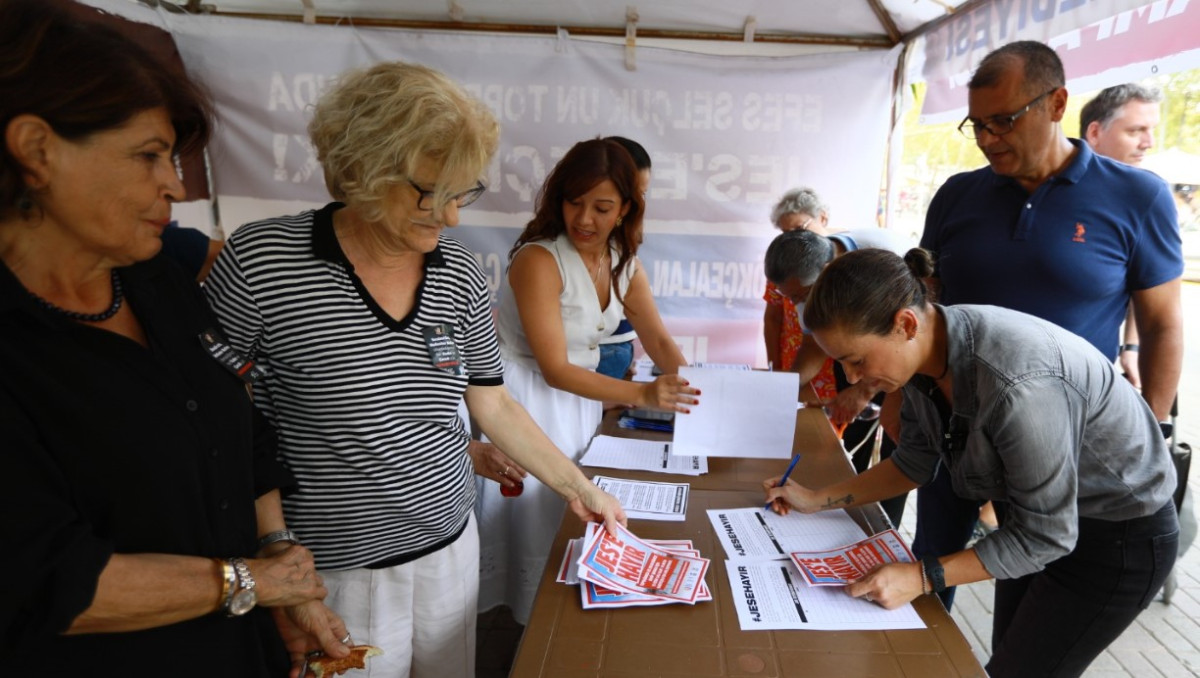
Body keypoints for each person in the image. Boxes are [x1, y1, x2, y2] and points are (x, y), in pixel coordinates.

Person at [203, 63, 626, 678]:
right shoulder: (263, 261)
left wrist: (579, 489)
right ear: (362, 170)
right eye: (430, 193)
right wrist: (273, 550)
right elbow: (222, 414)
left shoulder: (457, 273)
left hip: (451, 546)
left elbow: (493, 403)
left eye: (462, 193)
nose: (451, 217)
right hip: (334, 567)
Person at [0, 1, 349, 675]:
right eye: (149, 156)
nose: (177, 184)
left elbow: (240, 427)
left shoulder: (156, 277)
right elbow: (48, 580)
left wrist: (277, 558)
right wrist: (250, 583)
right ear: (37, 150)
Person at [765, 247, 1179, 678]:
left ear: (905, 324)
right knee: (1008, 657)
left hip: (1115, 540)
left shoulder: (1016, 384)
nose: (852, 378)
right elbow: (913, 463)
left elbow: (1046, 537)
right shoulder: (925, 353)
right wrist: (815, 499)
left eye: (857, 360)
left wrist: (922, 577)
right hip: (1032, 522)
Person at [916, 41, 1183, 609]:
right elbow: (921, 307)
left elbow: (1162, 327)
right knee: (923, 578)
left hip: (1058, 445)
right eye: (978, 124)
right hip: (952, 429)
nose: (988, 139)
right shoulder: (959, 195)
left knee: (1024, 600)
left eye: (1004, 121)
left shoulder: (1138, 195)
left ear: (1057, 103)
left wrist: (1149, 430)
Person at [476, 138, 696, 624]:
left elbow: (658, 340)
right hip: (524, 397)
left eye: (602, 207)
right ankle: (516, 625)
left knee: (568, 508)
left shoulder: (623, 263)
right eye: (574, 203)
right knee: (527, 514)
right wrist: (642, 393)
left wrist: (700, 395)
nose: (584, 219)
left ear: (625, 210)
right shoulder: (538, 260)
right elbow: (555, 368)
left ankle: (548, 618)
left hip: (577, 400)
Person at [763, 228, 914, 527]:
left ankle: (884, 531)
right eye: (789, 298)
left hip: (901, 365)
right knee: (848, 445)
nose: (796, 306)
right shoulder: (813, 275)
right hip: (868, 355)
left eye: (801, 296)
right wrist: (781, 390)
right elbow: (812, 349)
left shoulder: (880, 263)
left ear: (828, 273)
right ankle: (846, 513)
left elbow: (904, 347)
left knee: (900, 450)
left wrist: (863, 391)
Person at [1080, 83, 1165, 389]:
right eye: (1136, 131)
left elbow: (1148, 289)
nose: (1149, 142)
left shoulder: (1145, 196)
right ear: (1094, 133)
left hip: (1093, 383)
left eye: (1151, 130)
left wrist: (1131, 346)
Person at [595, 135, 650, 381]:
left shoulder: (625, 258)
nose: (637, 205)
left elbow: (657, 339)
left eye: (643, 194)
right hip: (592, 363)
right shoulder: (544, 257)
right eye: (632, 193)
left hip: (620, 350)